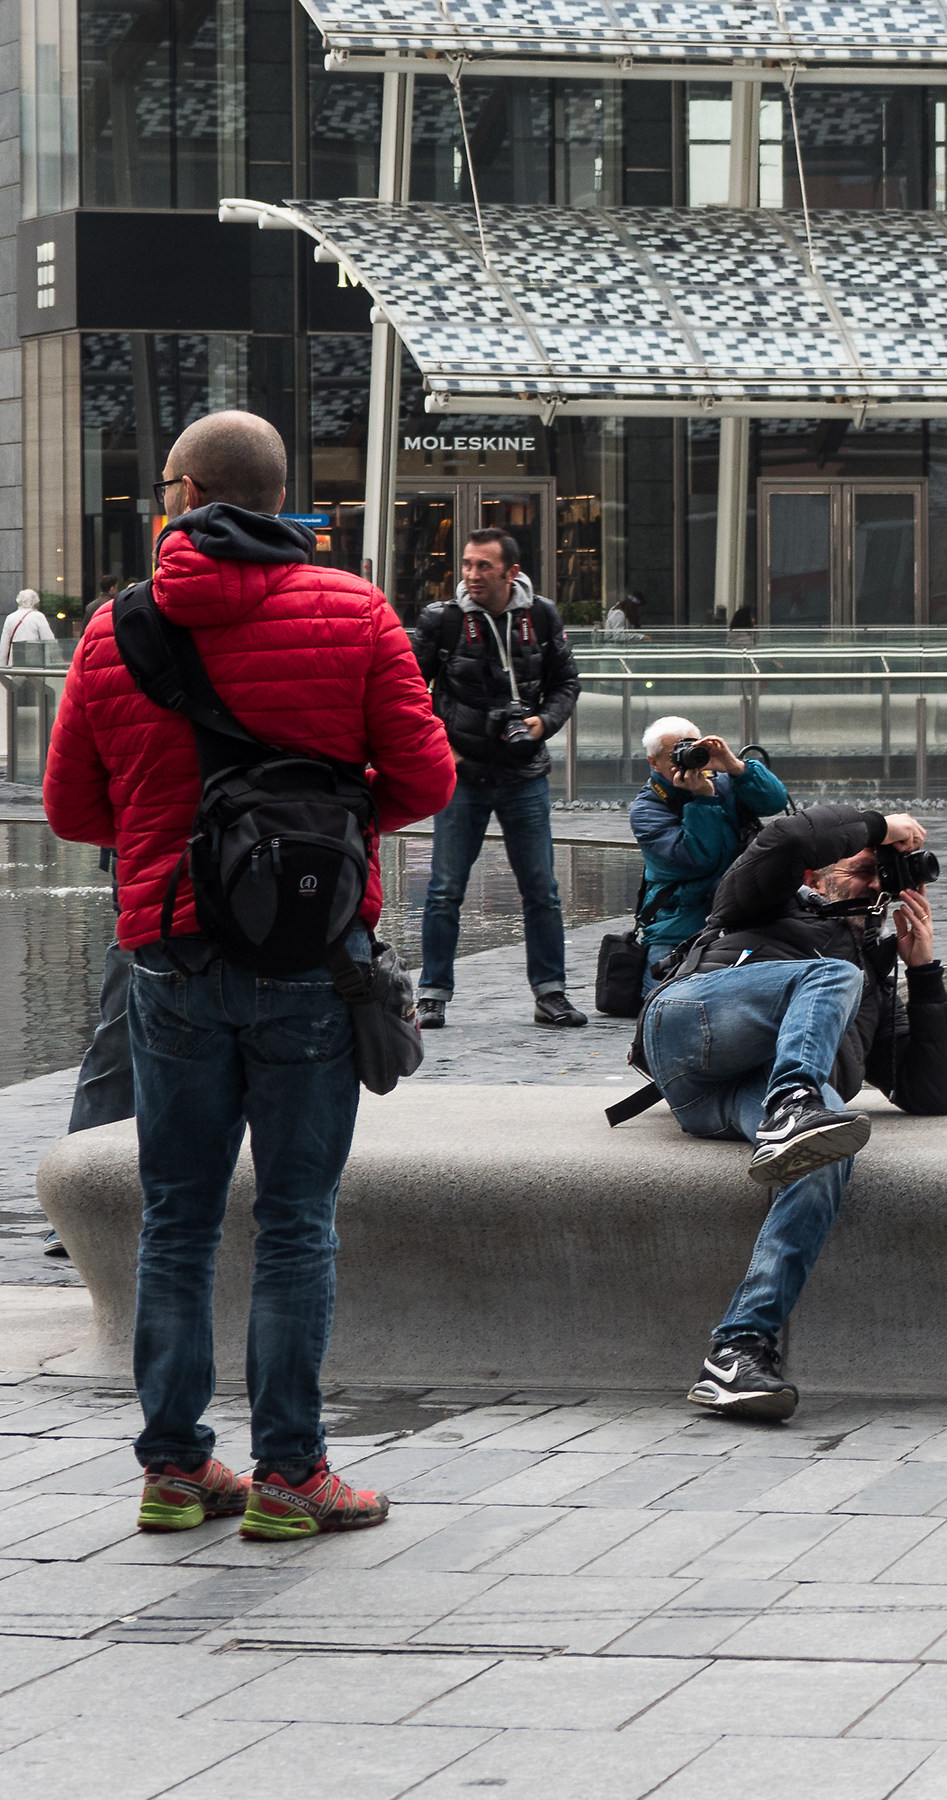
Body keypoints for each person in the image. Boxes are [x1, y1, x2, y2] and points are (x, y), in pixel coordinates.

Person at [44, 408, 454, 1539]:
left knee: (175, 1218)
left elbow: (74, 810)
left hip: (169, 958)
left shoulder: (114, 628)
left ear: (181, 493)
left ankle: (175, 1469)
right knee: (295, 1221)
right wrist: (326, 811)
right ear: (283, 499)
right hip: (310, 961)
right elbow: (427, 780)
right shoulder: (355, 609)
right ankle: (291, 1476)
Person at [638, 803, 947, 1421]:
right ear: (814, 875)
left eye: (883, 877)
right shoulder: (763, 901)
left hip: (719, 1103)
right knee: (829, 979)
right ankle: (794, 1103)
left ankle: (737, 1351)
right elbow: (785, 836)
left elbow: (932, 1094)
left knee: (825, 1152)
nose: (875, 886)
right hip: (687, 1030)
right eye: (865, 868)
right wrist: (877, 825)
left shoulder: (869, 967)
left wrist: (922, 971)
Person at [410, 529, 584, 1030]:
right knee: (444, 888)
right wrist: (442, 746)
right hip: (462, 772)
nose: (471, 575)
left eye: (483, 566)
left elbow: (566, 682)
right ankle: (433, 995)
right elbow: (408, 690)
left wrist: (541, 723)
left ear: (511, 571)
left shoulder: (542, 616)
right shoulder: (441, 620)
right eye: (466, 564)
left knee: (543, 889)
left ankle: (550, 994)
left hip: (523, 771)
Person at [630, 718, 790, 988]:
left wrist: (736, 767)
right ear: (653, 762)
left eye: (693, 748)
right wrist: (703, 799)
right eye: (675, 753)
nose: (687, 759)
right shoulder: (647, 810)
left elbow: (775, 801)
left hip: (742, 915)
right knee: (663, 1000)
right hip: (681, 925)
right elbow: (697, 860)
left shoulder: (724, 782)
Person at [2, 589, 54, 663]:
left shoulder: (10, 617)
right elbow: (49, 640)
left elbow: (4, 644)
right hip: (34, 661)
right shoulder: (38, 616)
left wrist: (2, 665)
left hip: (14, 660)